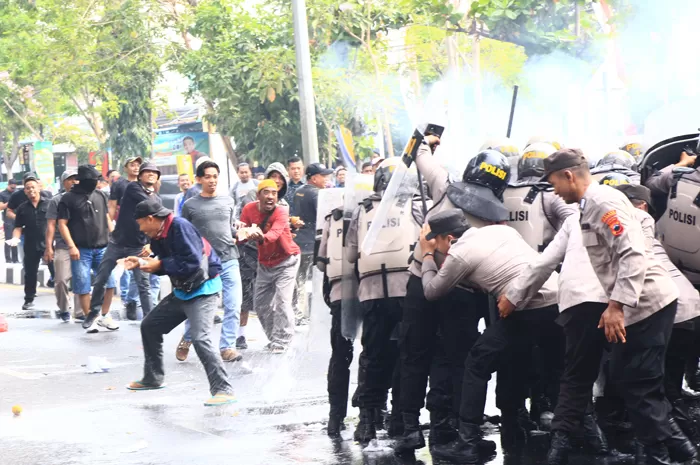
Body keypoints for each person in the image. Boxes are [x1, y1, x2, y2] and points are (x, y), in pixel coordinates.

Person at [535, 148, 694, 465]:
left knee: (639, 383)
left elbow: (632, 254)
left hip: (649, 304)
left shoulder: (604, 203)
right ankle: (668, 451)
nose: (553, 191)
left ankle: (679, 453)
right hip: (641, 305)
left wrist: (616, 306)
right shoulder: (589, 206)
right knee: (631, 381)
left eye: (554, 182)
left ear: (568, 176)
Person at [395, 136, 509, 456]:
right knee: (456, 357)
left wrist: (428, 142)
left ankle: (410, 427)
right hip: (463, 291)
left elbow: (419, 154)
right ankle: (450, 423)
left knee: (415, 353)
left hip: (423, 279)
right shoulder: (495, 214)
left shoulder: (444, 185)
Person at [419, 210, 561, 463]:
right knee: (555, 367)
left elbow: (432, 291)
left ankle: (468, 443)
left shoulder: (459, 254)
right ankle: (579, 437)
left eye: (436, 241)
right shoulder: (502, 230)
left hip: (527, 307)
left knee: (476, 363)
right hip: (559, 300)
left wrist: (427, 254)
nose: (436, 245)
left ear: (449, 239)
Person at [346, 158, 427, 444]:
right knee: (409, 356)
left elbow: (350, 255)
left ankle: (367, 420)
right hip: (407, 294)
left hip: (372, 296)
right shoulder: (416, 205)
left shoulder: (362, 210)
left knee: (374, 357)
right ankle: (402, 420)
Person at [124, 199, 236, 406]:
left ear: (151, 218)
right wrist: (142, 262)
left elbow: (192, 263)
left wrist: (159, 264)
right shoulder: (159, 234)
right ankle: (153, 378)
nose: (140, 229)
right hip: (183, 291)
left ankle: (223, 389)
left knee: (200, 338)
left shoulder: (179, 227)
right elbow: (166, 262)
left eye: (140, 223)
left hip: (203, 290)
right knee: (150, 326)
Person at [616, 183, 700, 445]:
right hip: (691, 311)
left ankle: (679, 444)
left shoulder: (629, 235)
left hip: (673, 314)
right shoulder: (653, 235)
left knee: (656, 387)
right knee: (667, 383)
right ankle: (683, 440)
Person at [177, 160, 243, 363]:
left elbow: (229, 228)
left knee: (233, 304)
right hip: (203, 265)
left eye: (215, 176)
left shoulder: (227, 201)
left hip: (229, 258)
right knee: (201, 307)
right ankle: (188, 337)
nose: (212, 180)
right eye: (208, 176)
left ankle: (227, 347)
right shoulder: (190, 205)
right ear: (199, 179)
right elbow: (184, 233)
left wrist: (242, 232)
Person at [83, 161, 160, 329]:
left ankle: (149, 320)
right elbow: (152, 206)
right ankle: (94, 312)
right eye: (147, 172)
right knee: (101, 277)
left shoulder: (156, 198)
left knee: (144, 285)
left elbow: (156, 225)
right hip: (117, 243)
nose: (151, 174)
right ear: (140, 176)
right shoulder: (134, 189)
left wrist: (150, 244)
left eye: (155, 173)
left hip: (138, 246)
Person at [238, 180, 300, 353]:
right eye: (266, 192)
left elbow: (273, 234)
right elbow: (242, 232)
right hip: (264, 262)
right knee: (260, 304)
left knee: (282, 301)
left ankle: (283, 340)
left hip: (287, 260)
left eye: (274, 193)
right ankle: (274, 338)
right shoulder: (248, 209)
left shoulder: (281, 210)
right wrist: (241, 233)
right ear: (258, 196)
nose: (271, 196)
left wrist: (260, 237)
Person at [58, 165, 117, 332]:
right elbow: (62, 224)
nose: (96, 183)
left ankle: (105, 316)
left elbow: (106, 217)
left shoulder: (100, 195)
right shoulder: (68, 199)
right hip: (80, 249)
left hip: (103, 247)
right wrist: (71, 246)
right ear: (83, 181)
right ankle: (90, 317)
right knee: (83, 284)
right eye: (93, 180)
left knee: (110, 283)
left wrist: (115, 238)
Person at [316, 195, 354, 437]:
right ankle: (377, 415)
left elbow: (321, 263)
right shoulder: (390, 211)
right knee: (380, 353)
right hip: (379, 292)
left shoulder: (335, 217)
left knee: (340, 355)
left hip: (341, 293)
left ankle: (335, 417)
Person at [504, 142, 577, 252]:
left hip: (508, 260)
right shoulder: (552, 194)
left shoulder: (503, 193)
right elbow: (577, 225)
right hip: (545, 263)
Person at [292, 162, 333, 324]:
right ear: (314, 178)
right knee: (314, 280)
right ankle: (313, 313)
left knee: (300, 280)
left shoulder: (298, 192)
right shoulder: (318, 195)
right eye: (323, 176)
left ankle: (300, 313)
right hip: (313, 243)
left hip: (299, 243)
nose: (326, 179)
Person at [9, 174, 50, 310]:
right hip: (30, 244)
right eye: (27, 188)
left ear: (38, 187)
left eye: (33, 187)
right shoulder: (22, 208)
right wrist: (15, 238)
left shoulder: (49, 204)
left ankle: (64, 301)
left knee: (58, 273)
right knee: (30, 272)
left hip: (48, 245)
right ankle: (29, 300)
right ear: (25, 191)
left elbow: (56, 224)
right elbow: (18, 227)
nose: (31, 190)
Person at [45, 170, 80, 322]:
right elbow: (51, 225)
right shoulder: (56, 201)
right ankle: (64, 308)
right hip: (62, 245)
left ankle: (80, 311)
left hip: (82, 245)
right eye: (70, 179)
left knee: (81, 278)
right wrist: (49, 247)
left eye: (76, 179)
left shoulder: (84, 198)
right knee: (60, 279)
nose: (73, 182)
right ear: (63, 182)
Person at [0, 179, 19, 263]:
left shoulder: (17, 193)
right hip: (7, 219)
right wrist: (10, 202)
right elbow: (1, 207)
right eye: (11, 188)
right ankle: (8, 259)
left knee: (15, 239)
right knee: (8, 239)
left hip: (17, 218)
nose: (13, 189)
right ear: (8, 185)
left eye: (14, 188)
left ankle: (15, 259)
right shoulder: (2, 194)